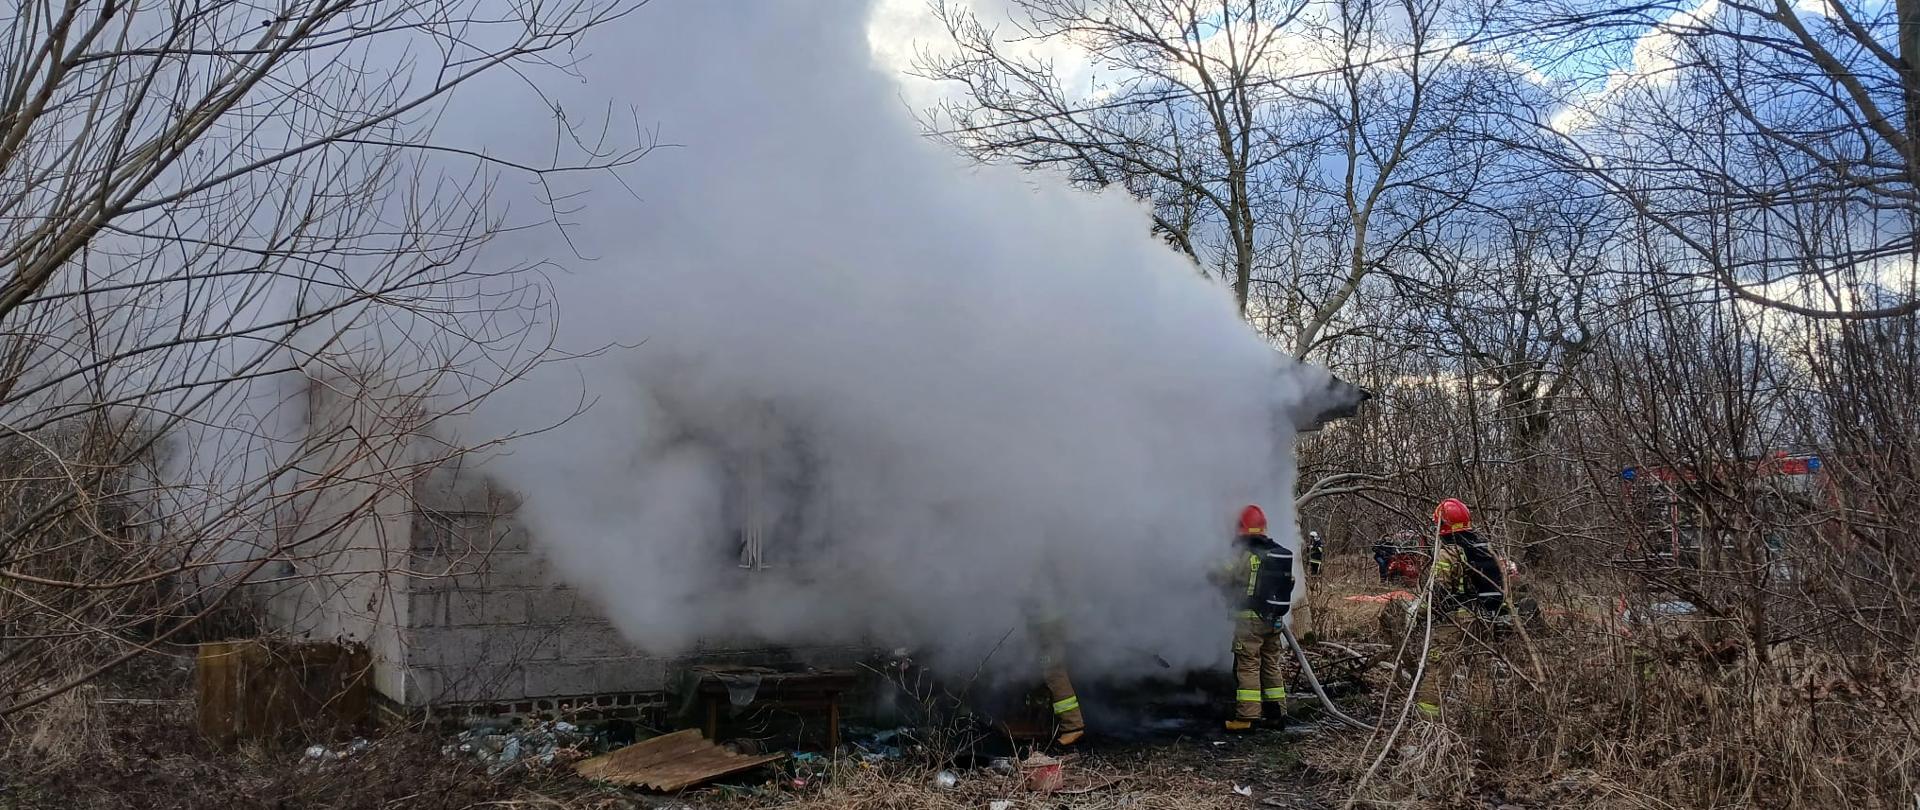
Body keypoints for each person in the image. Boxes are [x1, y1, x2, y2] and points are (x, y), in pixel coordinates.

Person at [1219, 505, 1295, 732]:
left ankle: (1247, 718)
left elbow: (1224, 574)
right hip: (1273, 620)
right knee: (1271, 664)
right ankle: (1276, 715)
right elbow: (1289, 583)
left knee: (1248, 665)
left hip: (1249, 620)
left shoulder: (1245, 555)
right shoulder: (1276, 552)